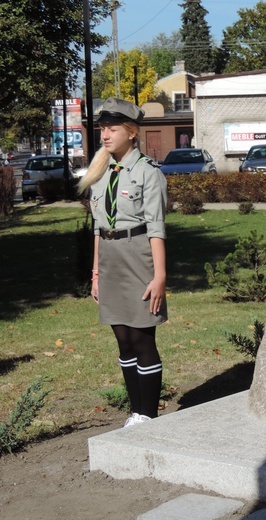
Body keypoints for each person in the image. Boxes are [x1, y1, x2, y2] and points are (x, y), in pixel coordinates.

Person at [78, 98, 168, 428]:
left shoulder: (148, 173)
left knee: (142, 336)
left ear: (131, 132)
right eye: (102, 128)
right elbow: (99, 228)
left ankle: (149, 414)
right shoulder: (99, 173)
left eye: (112, 129)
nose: (104, 135)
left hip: (139, 254)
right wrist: (96, 273)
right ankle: (135, 412)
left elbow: (157, 227)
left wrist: (159, 277)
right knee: (123, 339)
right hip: (111, 260)